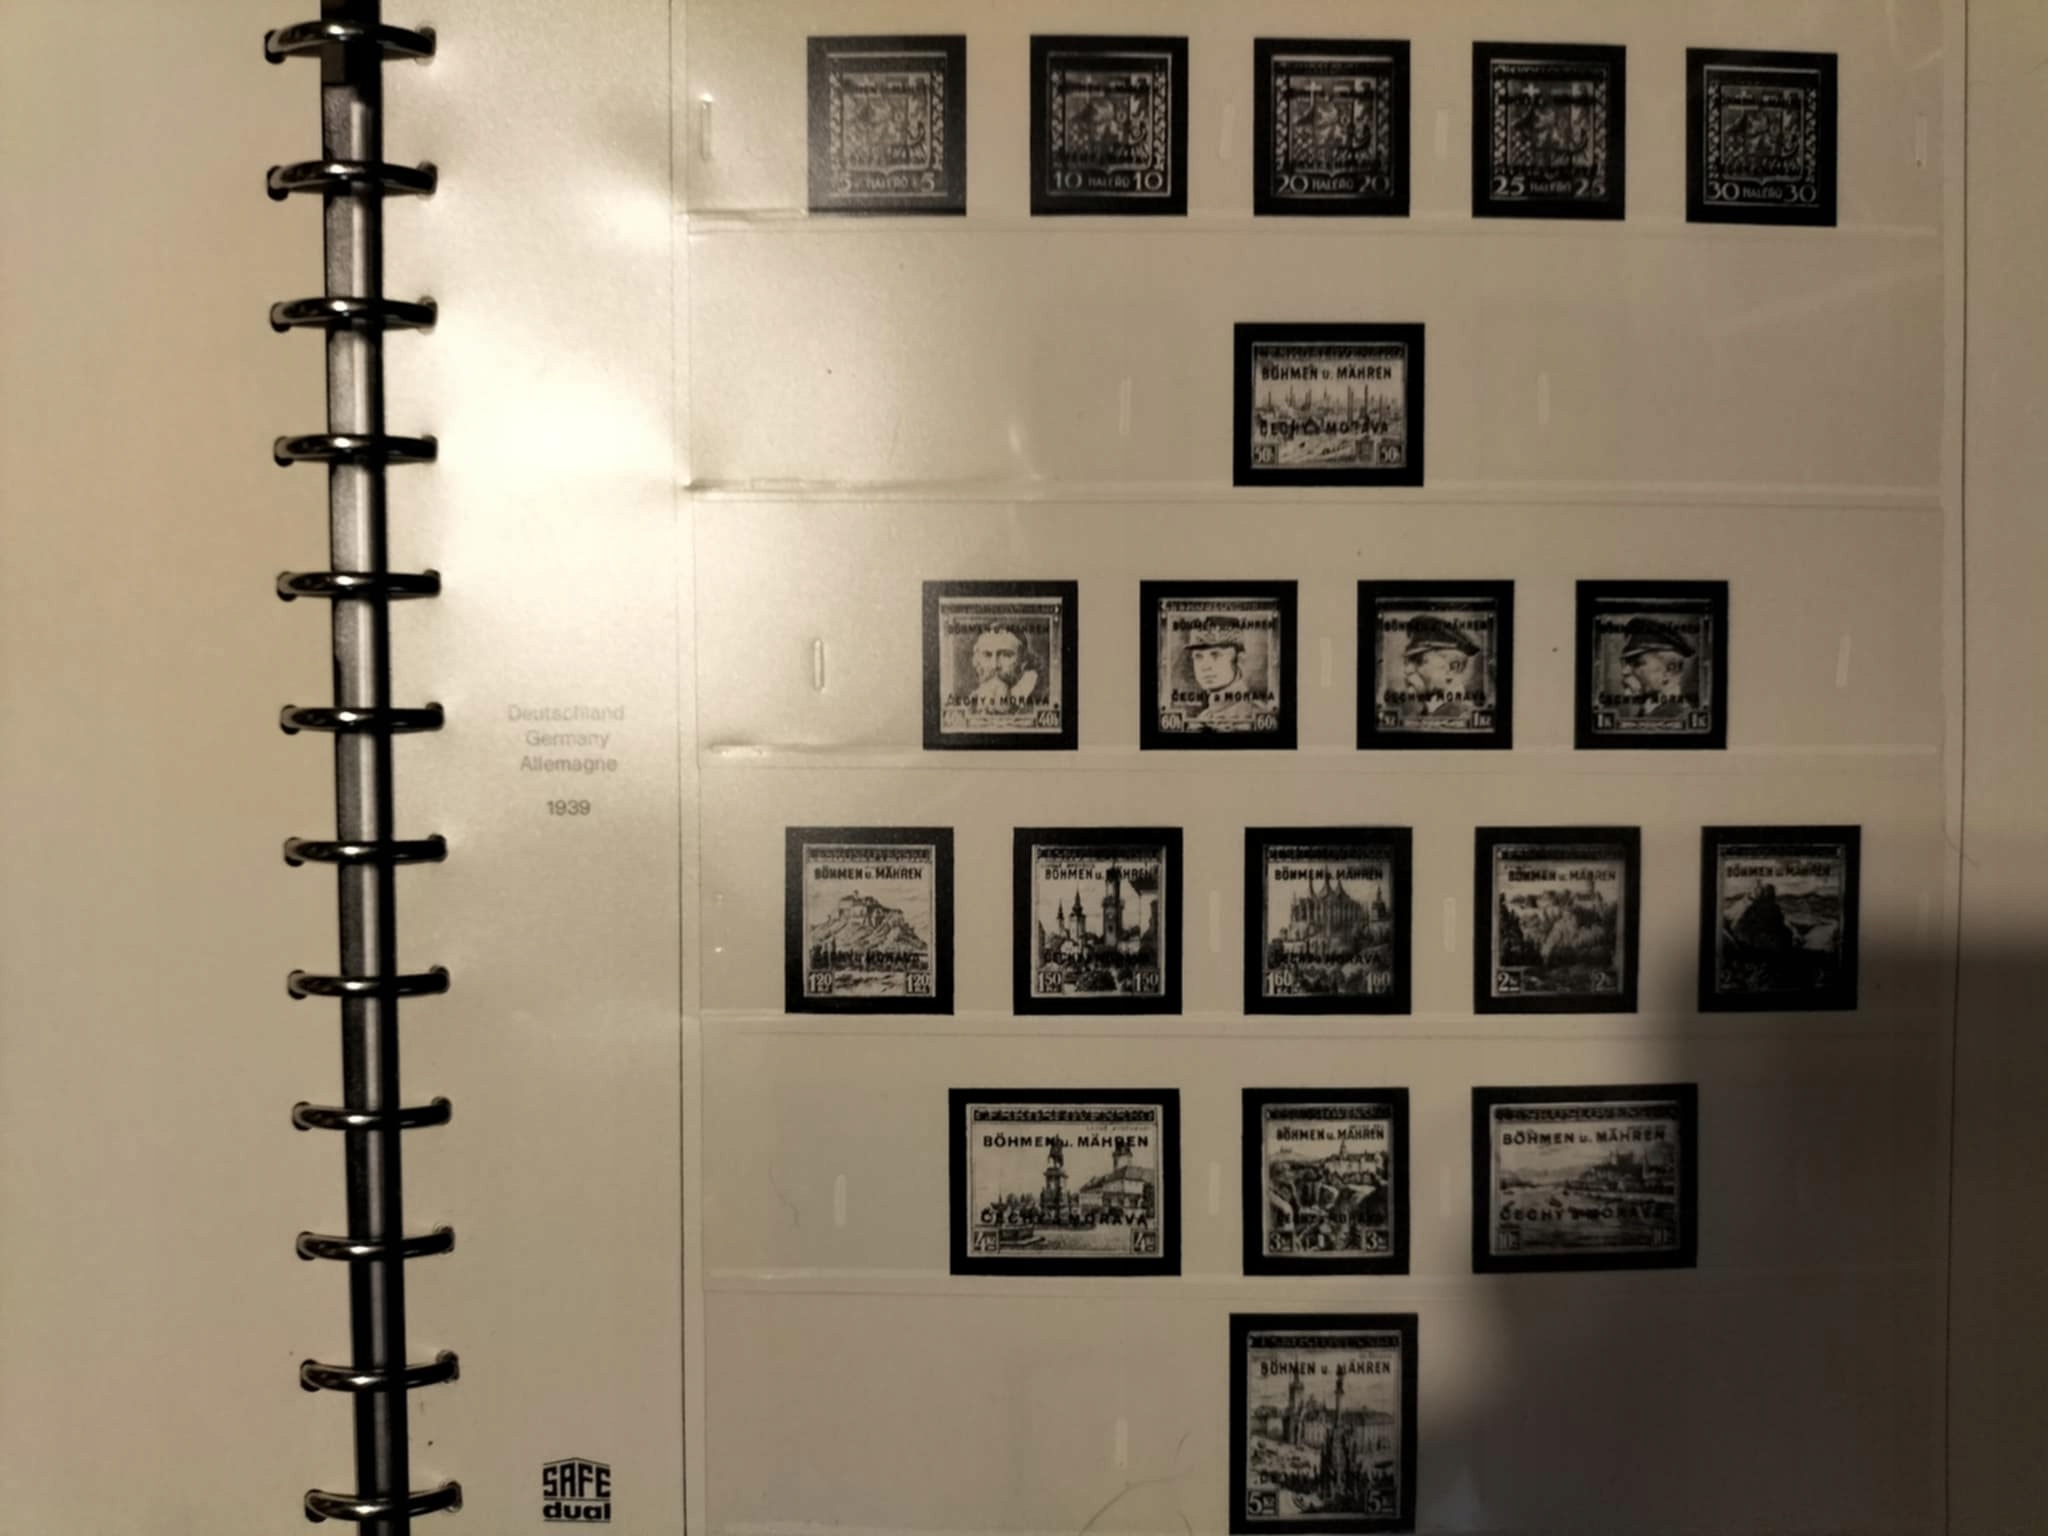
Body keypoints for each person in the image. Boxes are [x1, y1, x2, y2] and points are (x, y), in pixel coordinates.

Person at [1397, 614, 1481, 724]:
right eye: (1407, 662)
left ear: (1452, 669)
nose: (1407, 670)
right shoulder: (1420, 715)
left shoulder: (1464, 717)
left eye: (1419, 661)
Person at [1183, 616, 1262, 727]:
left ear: (1240, 660)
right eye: (1198, 656)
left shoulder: (1255, 715)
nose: (1205, 667)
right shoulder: (1203, 717)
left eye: (1216, 655)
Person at [1617, 617, 1697, 719]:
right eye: (1627, 663)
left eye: (1637, 663)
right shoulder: (1647, 712)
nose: (1624, 671)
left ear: (1669, 670)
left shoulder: (1679, 718)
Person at [966, 622, 1041, 712]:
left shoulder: (1039, 700)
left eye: (1006, 655)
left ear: (1023, 661)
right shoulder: (969, 704)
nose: (994, 666)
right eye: (987, 655)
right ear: (976, 661)